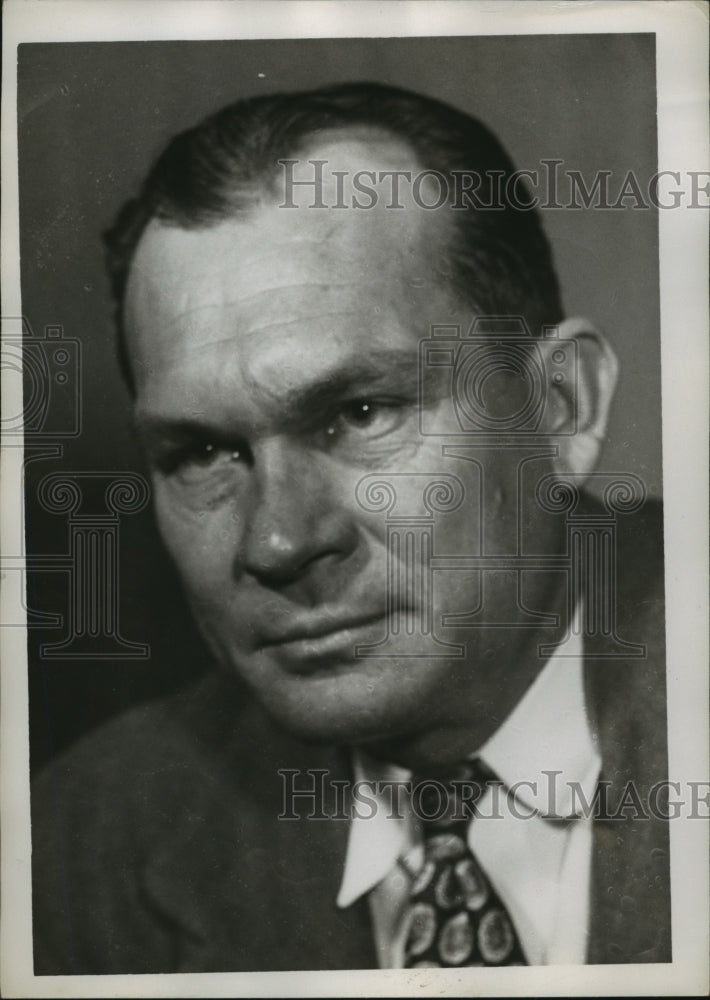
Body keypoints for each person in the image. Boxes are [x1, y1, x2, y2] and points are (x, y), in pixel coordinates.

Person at [31, 82, 670, 973]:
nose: (280, 544)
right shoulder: (72, 847)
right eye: (203, 453)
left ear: (560, 406)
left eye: (361, 413)